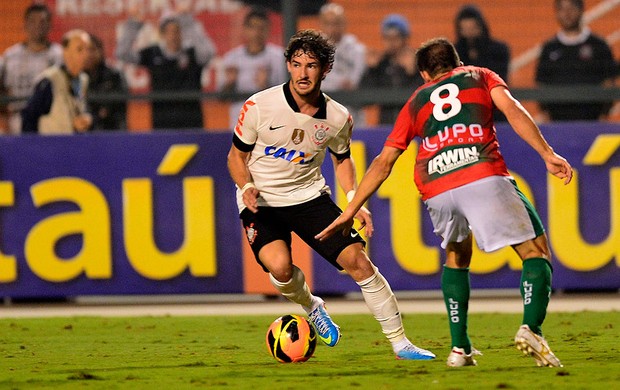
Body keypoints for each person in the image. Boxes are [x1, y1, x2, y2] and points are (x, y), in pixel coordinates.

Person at [316, 38, 573, 368]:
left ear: (424, 74)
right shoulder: (479, 75)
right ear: (458, 61)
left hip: (435, 184)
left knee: (456, 254)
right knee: (535, 250)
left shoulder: (416, 100)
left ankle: (459, 348)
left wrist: (349, 210)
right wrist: (547, 154)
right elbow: (512, 108)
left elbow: (385, 160)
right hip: (478, 169)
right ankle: (532, 329)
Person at [227, 29, 435, 360]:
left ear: (325, 70)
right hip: (261, 202)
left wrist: (355, 200)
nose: (303, 73)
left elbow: (342, 160)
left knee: (360, 263)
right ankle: (312, 306)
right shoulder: (259, 105)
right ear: (288, 66)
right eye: (296, 65)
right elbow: (236, 157)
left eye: (311, 66)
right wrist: (246, 185)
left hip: (309, 198)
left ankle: (400, 343)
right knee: (280, 270)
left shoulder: (338, 118)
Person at [115, 7, 216, 130]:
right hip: (162, 122)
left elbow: (209, 53)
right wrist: (133, 25)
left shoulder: (192, 54)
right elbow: (122, 54)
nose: (173, 36)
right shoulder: (153, 53)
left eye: (176, 31)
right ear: (162, 34)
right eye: (168, 31)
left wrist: (188, 23)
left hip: (191, 121)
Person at [535, 0, 617, 121]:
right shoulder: (549, 48)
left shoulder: (599, 45)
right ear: (557, 13)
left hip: (593, 121)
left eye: (571, 8)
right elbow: (541, 84)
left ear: (581, 10)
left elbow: (610, 82)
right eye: (562, 9)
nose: (567, 14)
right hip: (557, 123)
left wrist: (604, 114)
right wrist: (546, 115)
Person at [217, 6, 286, 128]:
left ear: (268, 30)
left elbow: (287, 96)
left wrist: (265, 86)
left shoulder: (279, 57)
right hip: (238, 123)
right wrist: (230, 83)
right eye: (252, 27)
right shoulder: (231, 58)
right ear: (245, 29)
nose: (256, 33)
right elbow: (220, 98)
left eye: (261, 28)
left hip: (270, 123)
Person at [0, 3, 63, 134]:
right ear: (25, 25)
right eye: (32, 21)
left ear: (50, 26)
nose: (37, 26)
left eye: (42, 21)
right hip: (17, 121)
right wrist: (4, 120)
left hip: (52, 121)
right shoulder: (9, 56)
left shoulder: (60, 56)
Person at [21, 29, 92, 134]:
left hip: (74, 146)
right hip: (50, 147)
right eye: (80, 49)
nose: (86, 54)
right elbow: (29, 117)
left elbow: (83, 108)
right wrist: (32, 148)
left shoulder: (83, 79)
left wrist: (86, 118)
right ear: (65, 52)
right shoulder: (49, 81)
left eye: (88, 49)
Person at [361, 14, 423, 125]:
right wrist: (371, 70)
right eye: (387, 38)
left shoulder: (417, 62)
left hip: (413, 124)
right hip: (386, 125)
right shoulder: (381, 64)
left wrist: (412, 73)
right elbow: (365, 99)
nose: (391, 43)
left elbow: (424, 96)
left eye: (395, 38)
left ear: (405, 39)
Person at [318, 3, 367, 127]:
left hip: (352, 112)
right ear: (321, 24)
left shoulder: (357, 50)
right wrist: (340, 83)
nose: (332, 28)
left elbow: (358, 79)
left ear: (344, 24)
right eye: (328, 23)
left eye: (336, 23)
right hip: (323, 112)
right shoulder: (314, 51)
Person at [454, 4, 510, 83]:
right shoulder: (455, 52)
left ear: (481, 27)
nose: (469, 33)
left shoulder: (498, 50)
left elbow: (499, 77)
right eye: (465, 29)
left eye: (472, 28)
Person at [84, 34, 127, 131]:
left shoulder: (114, 75)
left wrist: (99, 114)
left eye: (92, 49)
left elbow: (117, 104)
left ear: (100, 51)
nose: (89, 54)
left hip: (111, 131)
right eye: (85, 50)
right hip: (84, 132)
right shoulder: (76, 76)